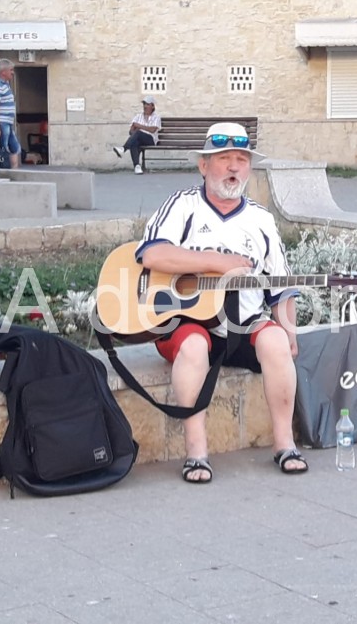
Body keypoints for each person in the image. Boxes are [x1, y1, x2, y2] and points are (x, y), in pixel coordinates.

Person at [135, 122, 308, 483]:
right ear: (203, 165)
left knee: (276, 341)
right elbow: (152, 254)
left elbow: (280, 285)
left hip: (243, 324)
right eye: (224, 158)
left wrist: (289, 330)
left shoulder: (261, 219)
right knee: (195, 345)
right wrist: (215, 261)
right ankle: (196, 452)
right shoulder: (182, 206)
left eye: (241, 160)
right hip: (185, 322)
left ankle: (285, 444)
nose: (233, 167)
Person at [113, 96, 161, 174]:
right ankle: (137, 166)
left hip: (150, 139)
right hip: (139, 138)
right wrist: (135, 132)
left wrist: (139, 126)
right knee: (134, 142)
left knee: (138, 133)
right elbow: (131, 131)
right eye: (144, 104)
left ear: (152, 106)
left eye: (147, 104)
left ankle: (123, 149)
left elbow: (152, 130)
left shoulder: (156, 117)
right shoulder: (138, 116)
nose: (145, 106)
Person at [0, 59, 21, 169]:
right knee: (5, 150)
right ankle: (5, 171)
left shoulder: (5, 84)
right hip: (2, 123)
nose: (12, 73)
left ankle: (14, 173)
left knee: (14, 148)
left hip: (7, 123)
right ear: (3, 72)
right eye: (11, 70)